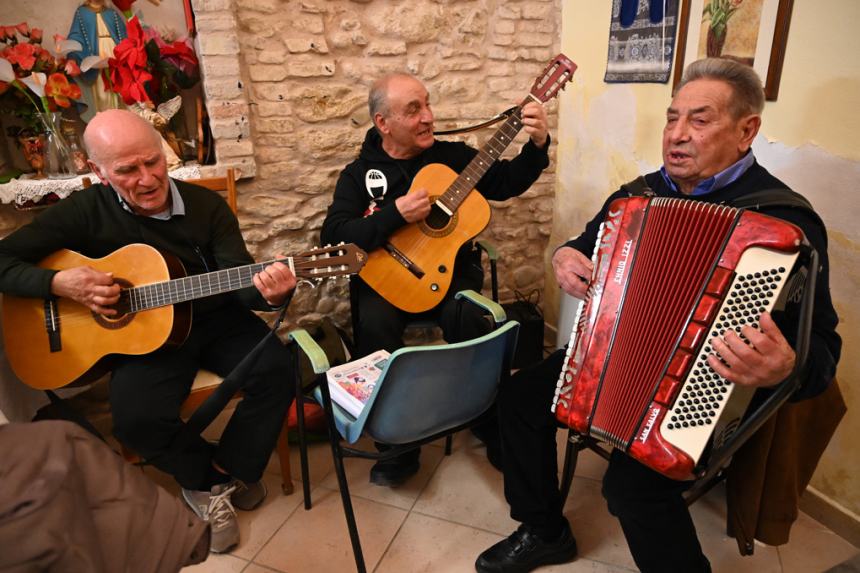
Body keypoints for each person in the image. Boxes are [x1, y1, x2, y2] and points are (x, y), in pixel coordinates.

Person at [475, 58, 842, 573]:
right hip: (613, 357)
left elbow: (824, 346)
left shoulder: (783, 222)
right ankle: (543, 528)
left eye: (700, 119)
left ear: (746, 130)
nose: (677, 134)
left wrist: (787, 368)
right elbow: (583, 244)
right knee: (518, 398)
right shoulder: (637, 196)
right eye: (672, 118)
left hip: (708, 389)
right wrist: (564, 256)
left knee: (630, 487)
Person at [0, 109, 297, 555]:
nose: (147, 179)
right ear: (97, 171)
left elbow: (239, 282)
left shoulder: (206, 208)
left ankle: (229, 469)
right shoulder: (83, 212)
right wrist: (59, 283)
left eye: (153, 162)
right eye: (127, 170)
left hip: (215, 318)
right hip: (145, 337)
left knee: (279, 368)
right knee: (136, 419)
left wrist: (271, 295)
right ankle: (206, 482)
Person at [320, 72, 551, 486]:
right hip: (387, 282)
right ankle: (396, 445)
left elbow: (506, 182)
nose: (428, 117)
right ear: (383, 123)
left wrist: (536, 146)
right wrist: (394, 215)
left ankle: (487, 418)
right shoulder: (358, 175)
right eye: (414, 110)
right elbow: (334, 235)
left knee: (472, 322)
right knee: (374, 327)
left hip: (451, 276)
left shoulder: (452, 158)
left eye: (427, 104)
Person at [67, 0, 127, 121]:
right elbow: (76, 36)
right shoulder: (82, 12)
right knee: (101, 91)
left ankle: (120, 119)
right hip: (95, 55)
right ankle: (105, 121)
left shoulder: (112, 13)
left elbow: (124, 35)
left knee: (118, 88)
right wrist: (73, 57)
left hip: (114, 52)